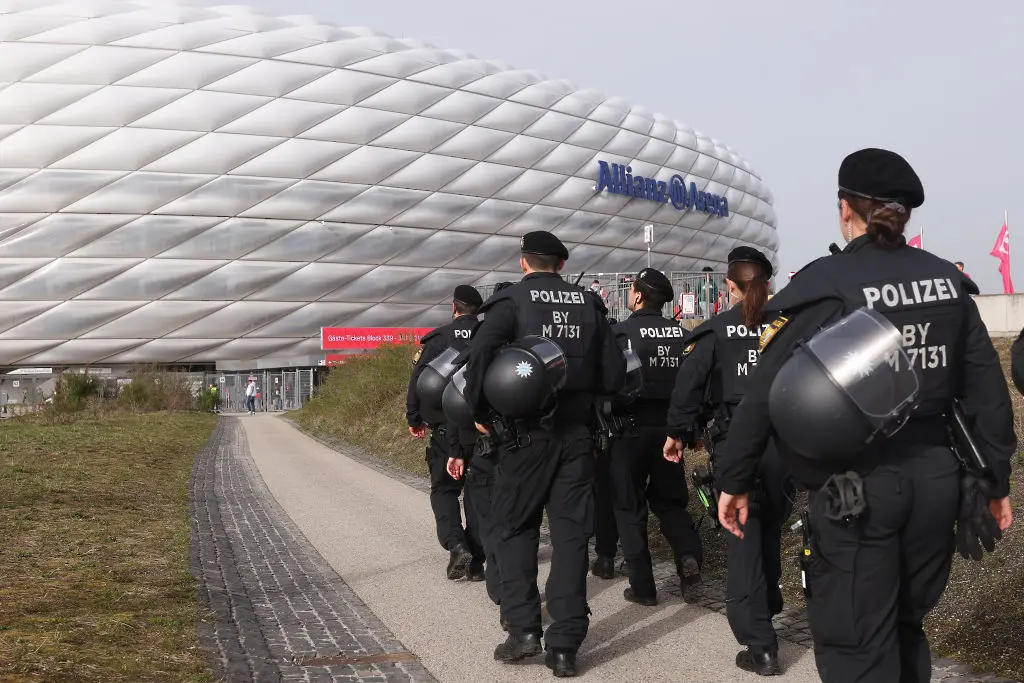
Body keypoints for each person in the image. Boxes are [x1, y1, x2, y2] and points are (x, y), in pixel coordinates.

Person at [714, 148, 1016, 683]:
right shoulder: (947, 283)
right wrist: (995, 482)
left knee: (857, 644)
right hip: (936, 481)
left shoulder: (827, 285)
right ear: (904, 214)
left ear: (844, 209)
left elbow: (766, 392)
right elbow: (987, 393)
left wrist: (735, 479)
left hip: (857, 489)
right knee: (906, 626)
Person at [463, 231, 626, 678]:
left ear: (523, 263)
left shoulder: (510, 303)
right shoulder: (590, 305)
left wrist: (479, 410)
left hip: (524, 436)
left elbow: (479, 357)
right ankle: (566, 645)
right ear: (562, 264)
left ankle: (524, 631)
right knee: (572, 536)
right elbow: (613, 374)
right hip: (578, 436)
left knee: (515, 527)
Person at [664, 246, 793, 675]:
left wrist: (678, 434)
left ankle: (760, 643)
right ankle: (768, 602)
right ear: (769, 283)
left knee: (743, 536)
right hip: (785, 445)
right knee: (768, 526)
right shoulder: (790, 326)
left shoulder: (714, 331)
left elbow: (688, 388)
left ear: (729, 285)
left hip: (736, 446)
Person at [608, 267, 703, 606]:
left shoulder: (619, 333)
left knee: (629, 507)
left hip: (628, 431)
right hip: (670, 432)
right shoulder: (681, 335)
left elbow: (608, 383)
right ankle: (689, 557)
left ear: (637, 295)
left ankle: (644, 587)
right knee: (669, 502)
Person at [406, 284, 484, 581]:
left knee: (444, 490)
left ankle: (456, 544)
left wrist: (414, 418)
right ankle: (477, 562)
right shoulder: (488, 334)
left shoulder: (438, 339)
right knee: (478, 494)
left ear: (454, 307)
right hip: (482, 430)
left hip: (442, 428)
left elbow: (419, 380)